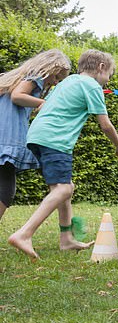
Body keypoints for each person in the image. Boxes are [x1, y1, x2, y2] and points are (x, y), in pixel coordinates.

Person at [8, 49, 118, 259]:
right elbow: (105, 125)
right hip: (55, 139)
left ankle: (67, 239)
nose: (108, 81)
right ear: (101, 67)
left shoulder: (67, 82)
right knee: (64, 189)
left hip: (37, 135)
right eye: (110, 74)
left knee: (61, 188)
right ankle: (24, 234)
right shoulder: (91, 85)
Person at [0, 49, 71, 222]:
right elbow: (18, 96)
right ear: (50, 68)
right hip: (7, 137)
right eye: (57, 78)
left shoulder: (19, 78)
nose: (55, 83)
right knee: (5, 188)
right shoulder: (36, 76)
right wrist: (46, 104)